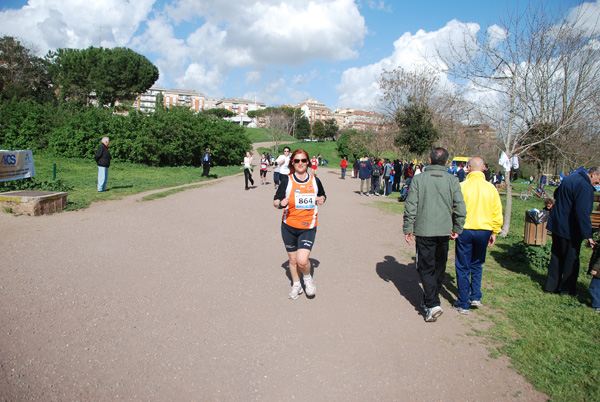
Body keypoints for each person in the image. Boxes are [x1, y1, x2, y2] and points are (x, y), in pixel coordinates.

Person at [403, 147, 466, 322]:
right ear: (446, 162)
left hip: (426, 230)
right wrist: (457, 227)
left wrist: (408, 227)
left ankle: (432, 303)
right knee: (438, 266)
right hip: (443, 230)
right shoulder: (452, 180)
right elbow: (460, 207)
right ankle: (430, 300)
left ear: (430, 160)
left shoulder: (419, 179)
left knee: (426, 267)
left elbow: (411, 205)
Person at [273, 149, 326, 300]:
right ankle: (296, 284)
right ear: (293, 163)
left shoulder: (315, 180)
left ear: (308, 162)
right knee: (293, 260)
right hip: (289, 226)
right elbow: (275, 201)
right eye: (297, 161)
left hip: (307, 227)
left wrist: (321, 199)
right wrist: (280, 203)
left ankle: (307, 279)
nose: (300, 163)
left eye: (303, 160)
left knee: (302, 260)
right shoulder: (287, 180)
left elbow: (322, 195)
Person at [453, 157, 503, 315]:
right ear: (483, 169)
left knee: (462, 265)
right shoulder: (491, 188)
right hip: (484, 230)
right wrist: (495, 230)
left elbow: (453, 208)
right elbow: (497, 211)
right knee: (477, 264)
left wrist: (453, 227)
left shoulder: (462, 186)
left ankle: (463, 302)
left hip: (465, 230)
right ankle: (475, 296)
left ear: (468, 168)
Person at [544, 166, 600, 296]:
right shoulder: (585, 187)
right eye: (598, 181)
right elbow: (582, 213)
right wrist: (588, 235)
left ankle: (551, 287)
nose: (597, 185)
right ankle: (566, 289)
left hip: (557, 224)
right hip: (570, 229)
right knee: (571, 260)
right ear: (594, 174)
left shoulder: (570, 178)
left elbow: (557, 194)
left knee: (556, 256)